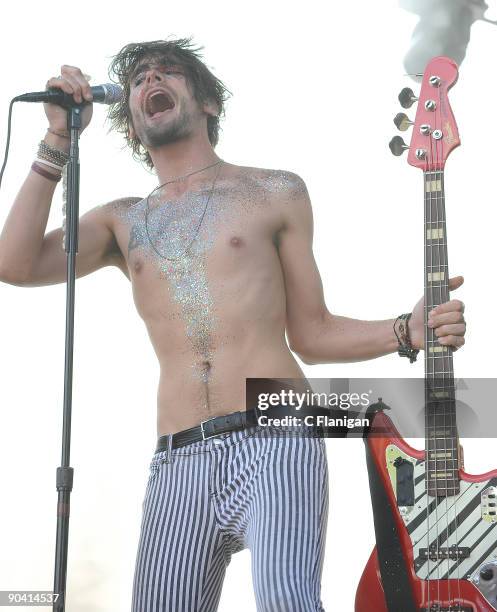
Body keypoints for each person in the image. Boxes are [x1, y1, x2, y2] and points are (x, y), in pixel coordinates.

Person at [0, 38, 466, 612]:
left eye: (166, 72)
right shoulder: (124, 220)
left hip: (278, 433)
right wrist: (56, 139)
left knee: (285, 602)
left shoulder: (274, 191)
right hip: (178, 458)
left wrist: (404, 330)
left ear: (207, 104)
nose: (151, 82)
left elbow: (312, 334)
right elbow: (14, 263)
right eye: (140, 79)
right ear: (131, 122)